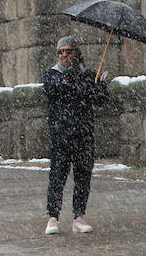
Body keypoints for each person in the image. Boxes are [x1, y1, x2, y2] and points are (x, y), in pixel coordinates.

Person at [42, 36, 109, 236]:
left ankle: (78, 216)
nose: (64, 55)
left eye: (69, 51)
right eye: (61, 51)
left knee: (83, 176)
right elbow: (55, 90)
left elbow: (101, 99)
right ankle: (52, 217)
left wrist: (98, 85)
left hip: (83, 134)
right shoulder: (52, 74)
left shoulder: (88, 75)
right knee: (57, 176)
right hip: (60, 134)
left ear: (76, 53)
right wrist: (78, 84)